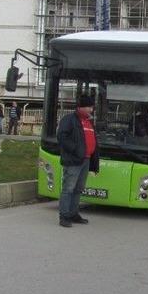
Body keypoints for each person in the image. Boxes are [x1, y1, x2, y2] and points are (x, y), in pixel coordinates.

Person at [57, 94, 99, 228]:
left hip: (86, 160)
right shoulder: (69, 120)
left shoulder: (89, 121)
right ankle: (64, 216)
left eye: (92, 107)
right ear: (81, 107)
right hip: (74, 160)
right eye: (89, 107)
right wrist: (76, 150)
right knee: (68, 188)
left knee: (78, 189)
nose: (91, 110)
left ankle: (73, 213)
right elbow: (62, 136)